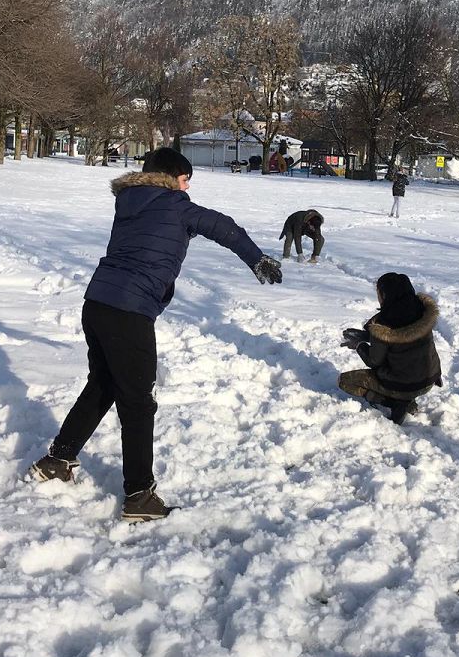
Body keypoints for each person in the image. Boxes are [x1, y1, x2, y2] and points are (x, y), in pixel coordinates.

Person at [30, 148, 282, 522]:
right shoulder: (176, 205)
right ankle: (139, 496)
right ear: (169, 178)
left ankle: (57, 459)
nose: (187, 187)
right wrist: (256, 258)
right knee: (137, 402)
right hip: (128, 313)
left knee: (103, 385)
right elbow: (223, 227)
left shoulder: (129, 202)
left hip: (97, 303)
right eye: (185, 180)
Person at [339, 273, 442, 425]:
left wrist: (359, 345)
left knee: (345, 381)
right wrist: (368, 336)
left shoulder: (383, 324)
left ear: (385, 294)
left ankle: (396, 404)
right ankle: (405, 400)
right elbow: (403, 338)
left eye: (378, 292)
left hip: (404, 385)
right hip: (429, 380)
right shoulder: (421, 311)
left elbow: (374, 361)